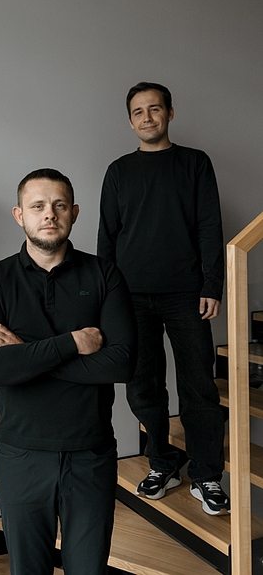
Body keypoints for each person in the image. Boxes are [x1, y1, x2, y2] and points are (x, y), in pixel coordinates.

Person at [0, 168, 137, 575]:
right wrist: (72, 343)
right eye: (38, 206)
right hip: (20, 456)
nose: (49, 214)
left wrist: (23, 354)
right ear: (19, 215)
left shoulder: (105, 275)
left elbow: (122, 363)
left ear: (74, 212)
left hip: (91, 454)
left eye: (59, 205)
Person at [97, 82, 229, 516]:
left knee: (199, 386)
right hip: (131, 297)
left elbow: (210, 225)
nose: (147, 117)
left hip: (187, 294)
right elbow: (107, 238)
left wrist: (212, 285)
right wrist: (106, 299)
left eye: (155, 108)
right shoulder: (118, 171)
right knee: (142, 386)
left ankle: (207, 474)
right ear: (130, 121)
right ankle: (163, 462)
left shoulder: (194, 163)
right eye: (138, 111)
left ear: (170, 113)